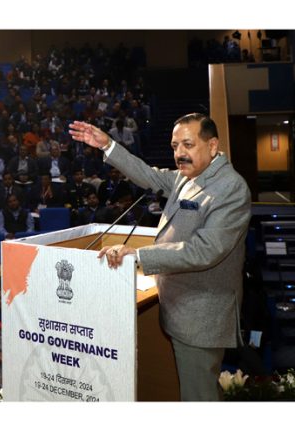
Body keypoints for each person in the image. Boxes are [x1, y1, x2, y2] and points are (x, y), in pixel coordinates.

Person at [69, 113, 252, 401]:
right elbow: (149, 176)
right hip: (180, 304)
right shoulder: (187, 175)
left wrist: (137, 254)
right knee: (200, 389)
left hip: (200, 315)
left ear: (213, 145)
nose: (180, 153)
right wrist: (107, 145)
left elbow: (204, 250)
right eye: (175, 146)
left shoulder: (231, 189)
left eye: (188, 145)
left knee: (198, 398)